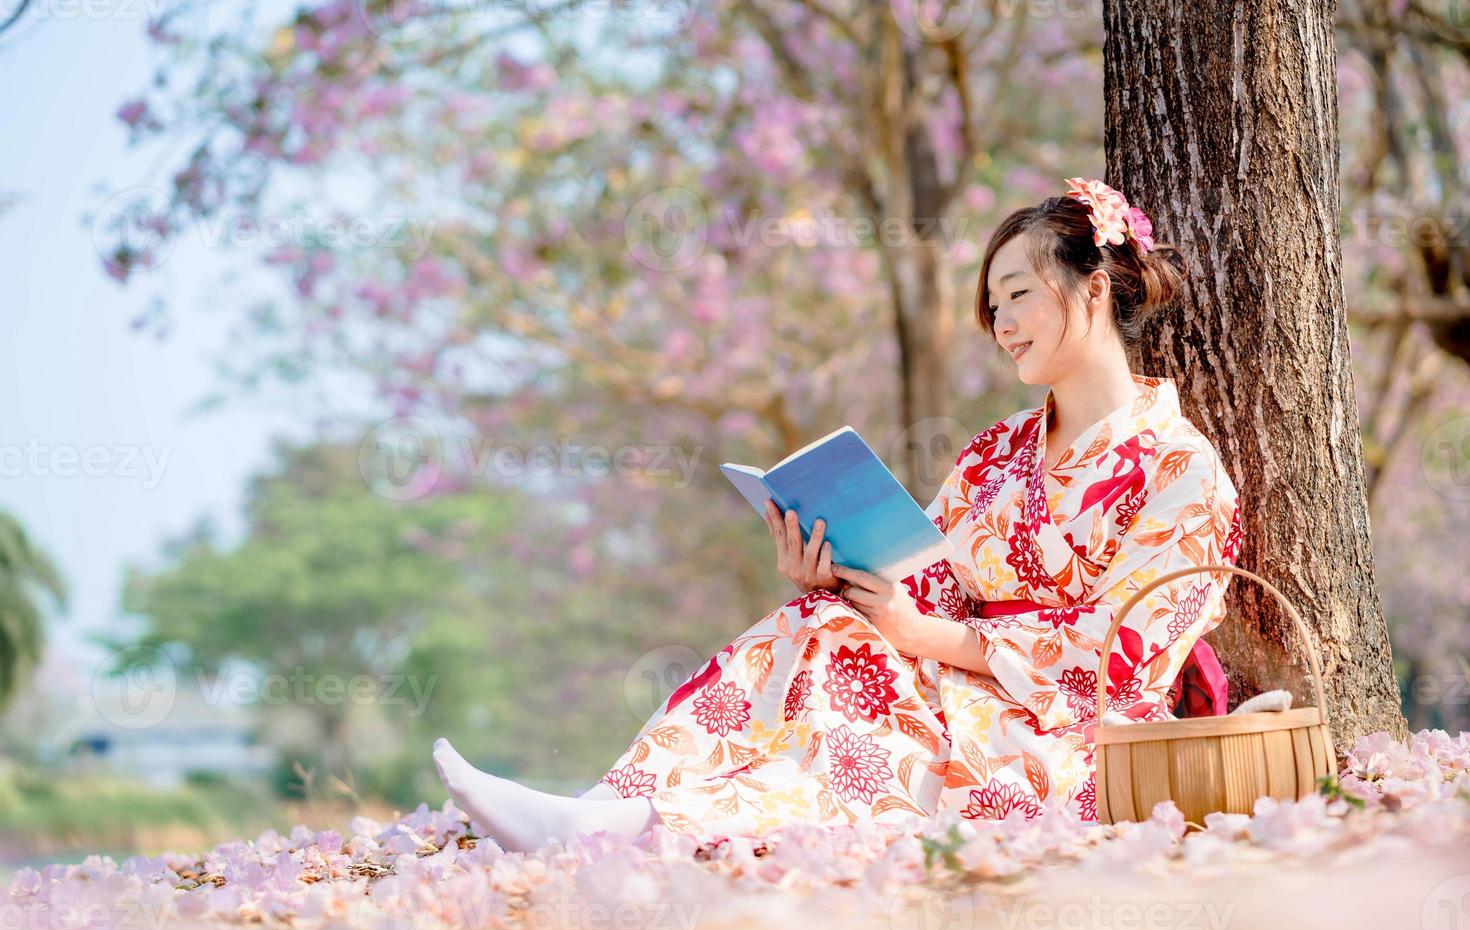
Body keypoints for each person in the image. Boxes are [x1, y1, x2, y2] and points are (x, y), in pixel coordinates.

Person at [433, 177, 1243, 852]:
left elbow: (1127, 660)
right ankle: (616, 806)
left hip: (1072, 738)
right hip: (958, 679)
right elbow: (929, 576)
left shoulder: (1179, 468)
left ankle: (630, 827)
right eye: (990, 306)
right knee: (817, 626)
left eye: (1016, 296)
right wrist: (843, 572)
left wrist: (926, 637)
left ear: (1093, 288)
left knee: (854, 724)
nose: (998, 324)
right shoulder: (995, 454)